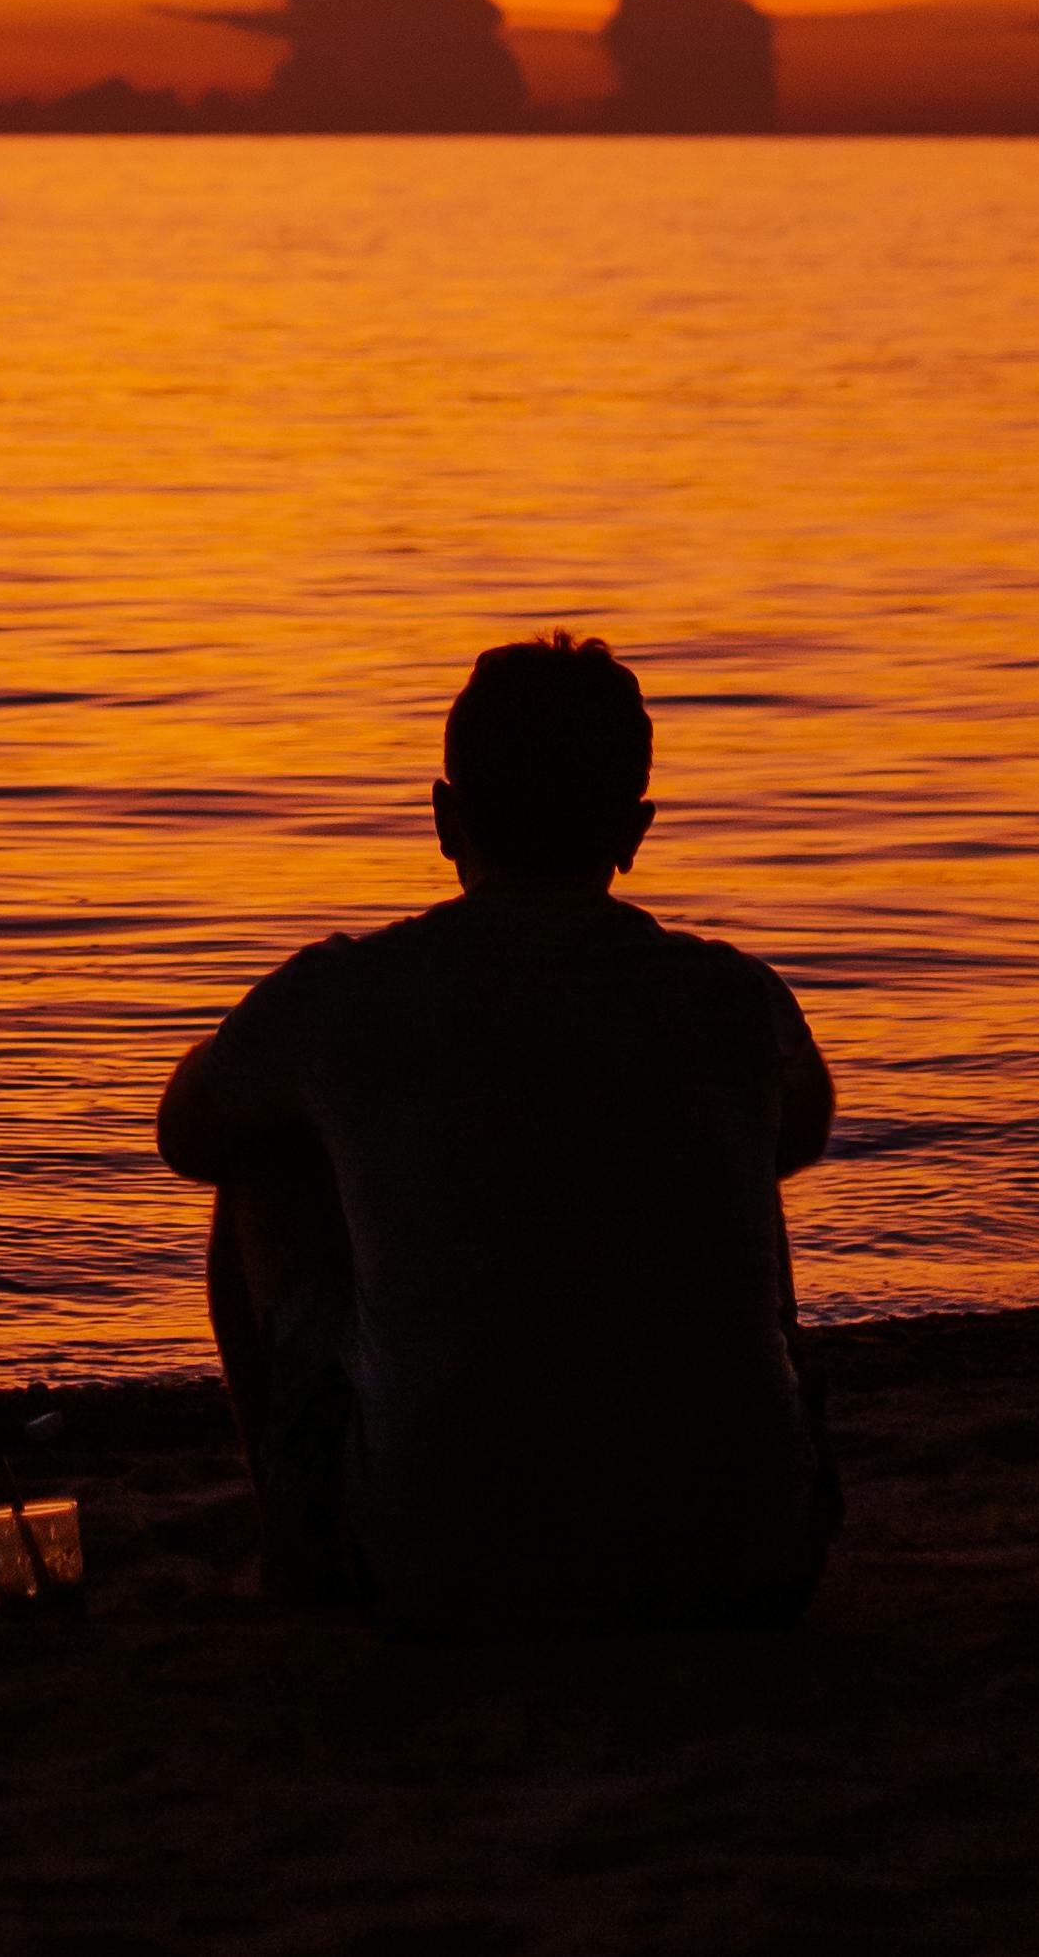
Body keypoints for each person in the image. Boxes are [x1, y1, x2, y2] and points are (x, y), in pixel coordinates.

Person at [156, 631, 836, 1632]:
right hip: (748, 1560)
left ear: (443, 816)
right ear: (635, 828)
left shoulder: (346, 993)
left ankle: (294, 1547)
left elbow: (189, 1134)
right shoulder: (733, 997)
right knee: (734, 1138)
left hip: (445, 1564)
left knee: (260, 1163)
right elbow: (801, 1132)